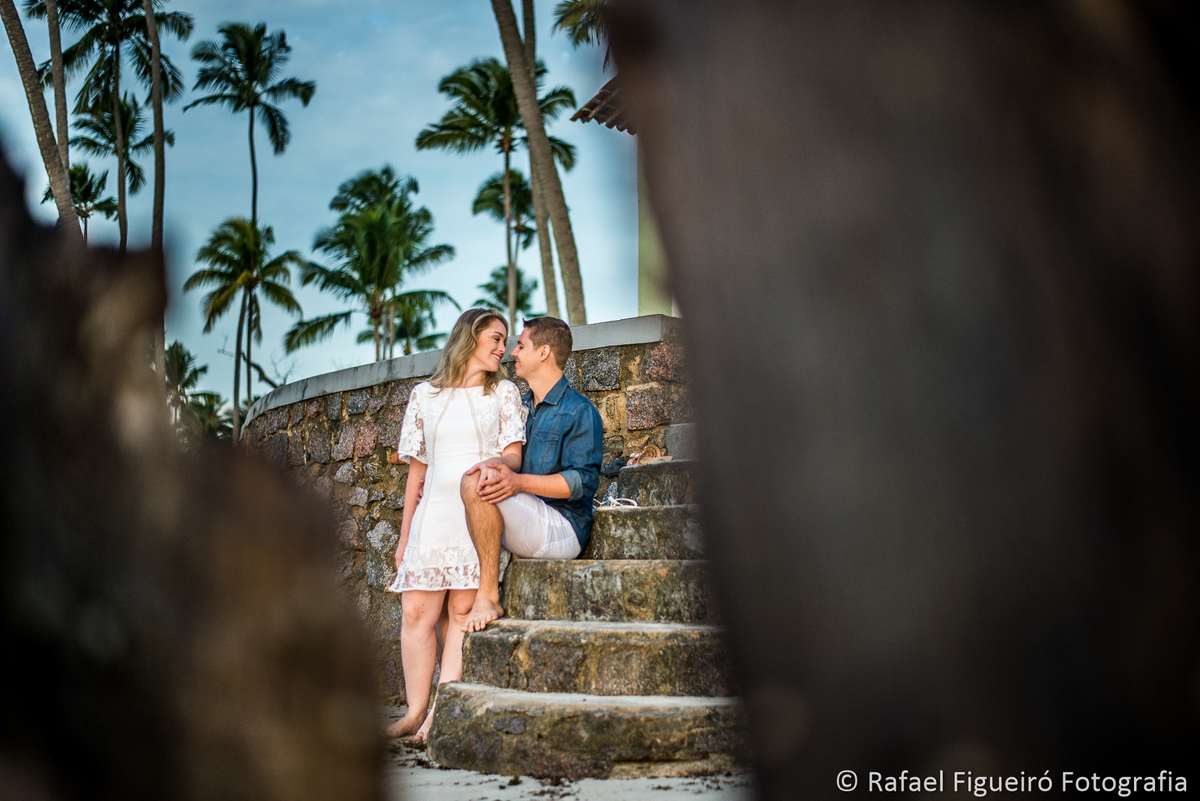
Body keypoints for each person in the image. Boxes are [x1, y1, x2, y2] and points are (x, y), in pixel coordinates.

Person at [383, 308, 526, 741]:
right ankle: (414, 711)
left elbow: (514, 456)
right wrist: (404, 538)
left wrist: (491, 464)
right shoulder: (423, 395)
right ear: (470, 336)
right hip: (431, 517)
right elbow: (417, 473)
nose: (503, 348)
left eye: (506, 340)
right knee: (416, 612)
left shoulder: (503, 393)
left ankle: (437, 714)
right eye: (496, 338)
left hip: (474, 513)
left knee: (461, 612)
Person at [459, 316, 604, 633]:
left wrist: (518, 482)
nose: (512, 352)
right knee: (474, 481)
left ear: (544, 352)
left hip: (563, 527)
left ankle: (488, 596)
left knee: (476, 484)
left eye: (521, 346)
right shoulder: (521, 406)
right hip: (526, 516)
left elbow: (582, 483)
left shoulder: (580, 411)